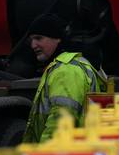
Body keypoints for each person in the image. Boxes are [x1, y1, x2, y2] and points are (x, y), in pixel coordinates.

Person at [22, 12, 106, 143]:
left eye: (39, 38)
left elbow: (60, 122)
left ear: (57, 38)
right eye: (31, 40)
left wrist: (47, 151)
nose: (33, 45)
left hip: (62, 150)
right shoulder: (71, 65)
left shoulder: (66, 70)